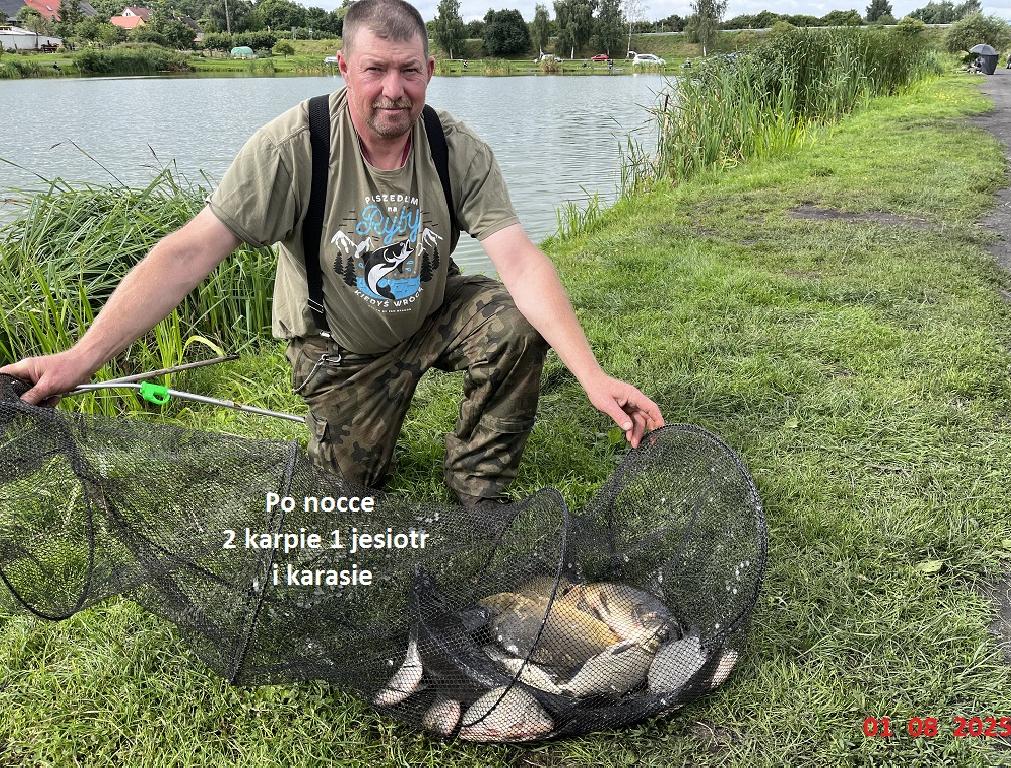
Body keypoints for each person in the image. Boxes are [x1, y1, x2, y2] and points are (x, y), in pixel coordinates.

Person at [0, 0, 664, 507]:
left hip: (431, 308)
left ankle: (478, 486)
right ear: (344, 68)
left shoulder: (457, 147)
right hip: (338, 348)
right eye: (375, 69)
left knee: (515, 319)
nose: (394, 89)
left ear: (430, 71)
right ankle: (353, 437)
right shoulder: (292, 147)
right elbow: (186, 254)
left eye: (409, 70)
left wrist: (591, 375)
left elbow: (519, 259)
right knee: (349, 495)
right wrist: (80, 359)